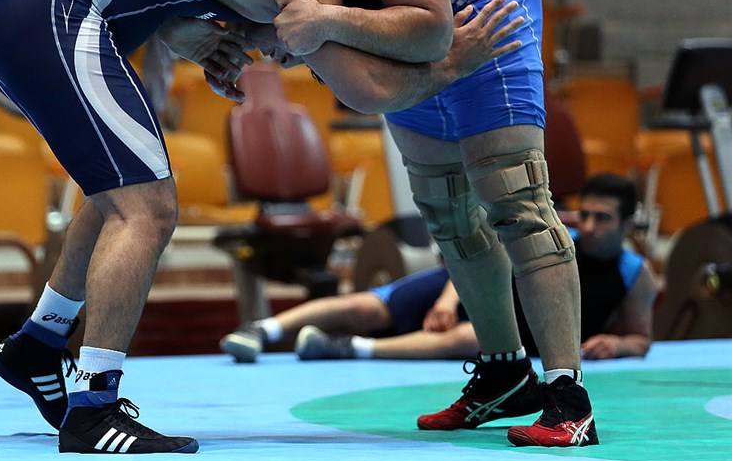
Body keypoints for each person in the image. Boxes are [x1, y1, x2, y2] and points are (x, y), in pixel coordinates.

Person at [0, 0, 522, 454]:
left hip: (32, 14)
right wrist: (451, 65)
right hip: (51, 22)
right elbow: (367, 93)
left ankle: (38, 342)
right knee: (145, 210)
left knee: (120, 188)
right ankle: (93, 409)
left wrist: (190, 35)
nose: (285, 62)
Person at [206, 0, 596, 447]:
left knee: (518, 205)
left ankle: (568, 399)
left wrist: (327, 20)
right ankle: (505, 376)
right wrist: (221, 45)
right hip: (392, 24)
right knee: (448, 214)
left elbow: (434, 32)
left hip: (480, 15)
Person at [221, 173, 655, 370]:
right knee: (367, 308)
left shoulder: (636, 275)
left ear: (628, 225)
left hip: (507, 329)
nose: (589, 226)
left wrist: (618, 345)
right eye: (585, 215)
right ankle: (263, 329)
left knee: (475, 337)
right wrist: (449, 301)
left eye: (603, 219)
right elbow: (484, 265)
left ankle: (343, 348)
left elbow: (641, 339)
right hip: (463, 288)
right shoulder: (553, 242)